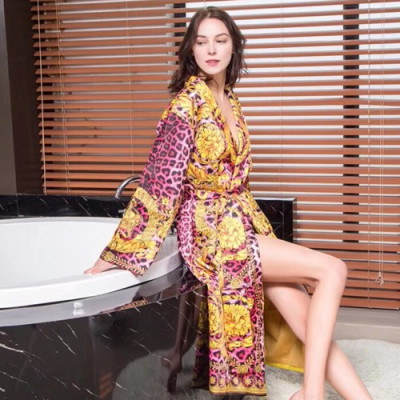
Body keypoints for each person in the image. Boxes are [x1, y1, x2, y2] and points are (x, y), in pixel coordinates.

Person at [85, 6, 373, 400]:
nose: (211, 49)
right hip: (213, 232)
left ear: (233, 46)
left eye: (220, 40)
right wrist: (116, 254)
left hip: (241, 222)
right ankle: (312, 394)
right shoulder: (186, 106)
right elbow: (159, 183)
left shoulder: (230, 100)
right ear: (191, 50)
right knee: (332, 270)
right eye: (201, 42)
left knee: (306, 320)